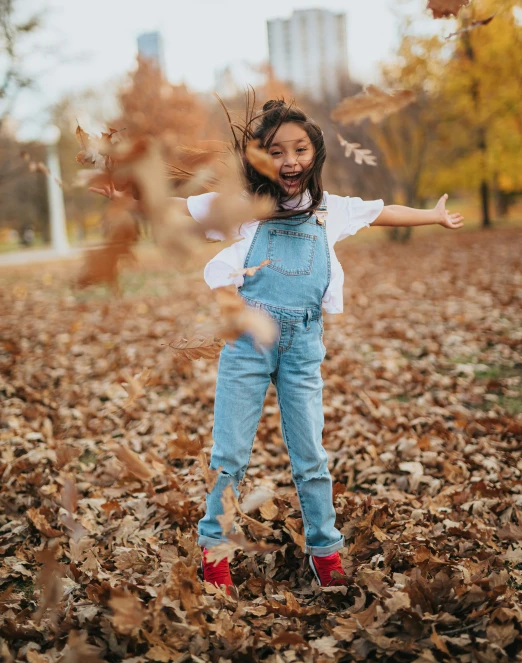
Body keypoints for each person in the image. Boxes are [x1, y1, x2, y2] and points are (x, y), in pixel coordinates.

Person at [91, 99, 464, 592]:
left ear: (315, 153)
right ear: (262, 160)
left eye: (300, 149)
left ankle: (325, 550)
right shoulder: (245, 208)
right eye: (277, 152)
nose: (290, 161)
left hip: (304, 347)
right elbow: (181, 208)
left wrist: (432, 216)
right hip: (248, 343)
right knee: (231, 454)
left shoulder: (332, 211)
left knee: (310, 454)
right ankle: (215, 549)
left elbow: (381, 212)